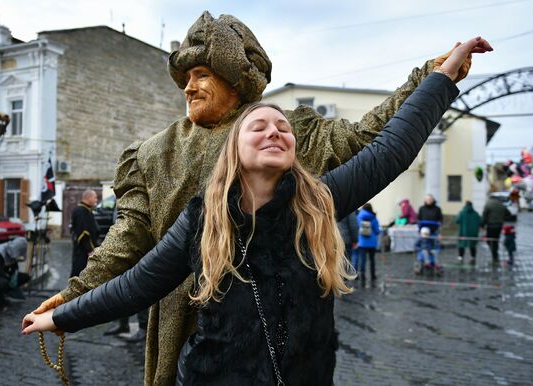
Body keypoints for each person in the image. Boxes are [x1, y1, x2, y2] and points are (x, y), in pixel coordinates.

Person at [32, 11, 479, 385]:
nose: (188, 87)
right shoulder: (151, 154)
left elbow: (376, 141)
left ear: (235, 78)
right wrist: (74, 297)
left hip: (290, 334)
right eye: (185, 77)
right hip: (186, 328)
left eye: (201, 74)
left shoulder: (294, 131)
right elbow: (130, 250)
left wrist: (429, 79)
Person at [69, 190, 99, 278]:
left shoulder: (87, 210)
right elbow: (83, 233)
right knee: (79, 273)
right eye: (95, 197)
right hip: (82, 251)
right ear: (89, 197)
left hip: (87, 250)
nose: (96, 200)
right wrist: (90, 250)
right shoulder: (80, 211)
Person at [0, 237, 29, 307]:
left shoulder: (10, 250)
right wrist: (7, 277)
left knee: (24, 277)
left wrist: (13, 275)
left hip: (1, 274)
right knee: (1, 283)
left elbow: (14, 268)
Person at [357, 203, 380, 285]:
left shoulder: (359, 217)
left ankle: (362, 275)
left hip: (362, 243)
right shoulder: (373, 218)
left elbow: (356, 228)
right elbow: (377, 231)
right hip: (372, 243)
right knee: (372, 260)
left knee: (362, 260)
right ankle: (372, 275)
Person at [481, 195, 508, 264]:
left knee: (489, 240)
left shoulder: (488, 204)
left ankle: (494, 254)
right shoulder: (501, 204)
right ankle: (495, 254)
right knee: (495, 240)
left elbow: (484, 215)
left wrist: (482, 224)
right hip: (499, 226)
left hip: (491, 226)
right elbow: (508, 213)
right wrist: (502, 218)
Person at [455, 200, 481, 265]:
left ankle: (460, 256)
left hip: (463, 232)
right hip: (473, 233)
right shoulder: (476, 214)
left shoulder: (461, 213)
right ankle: (473, 257)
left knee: (461, 245)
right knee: (472, 245)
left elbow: (457, 221)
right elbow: (481, 221)